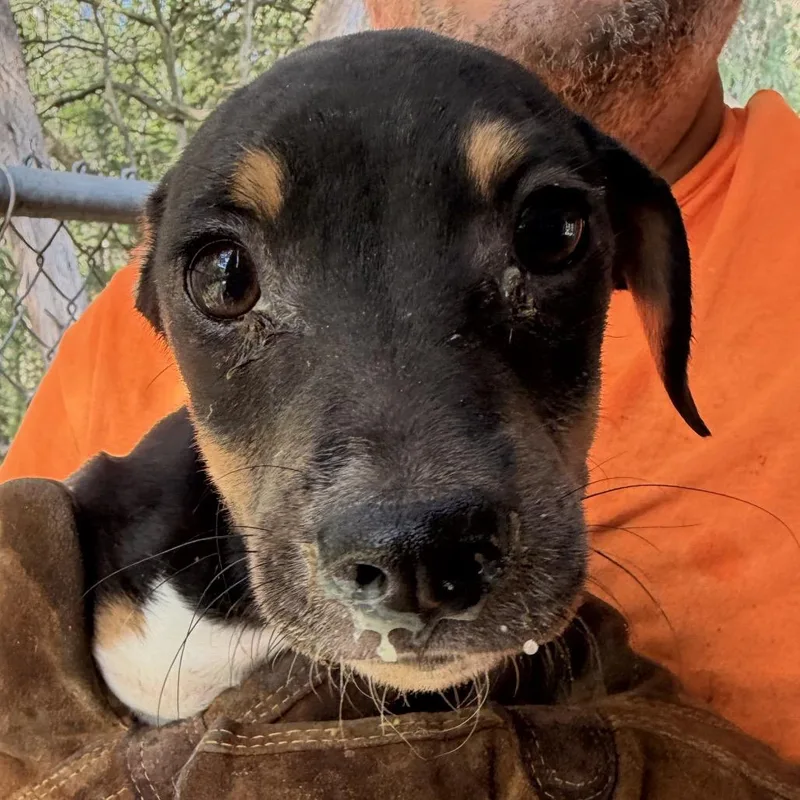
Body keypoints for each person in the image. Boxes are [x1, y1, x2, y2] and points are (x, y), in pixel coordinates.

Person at [2, 0, 799, 760]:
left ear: (638, 257)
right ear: (164, 321)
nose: (406, 510)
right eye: (228, 280)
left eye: (545, 237)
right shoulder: (101, 402)